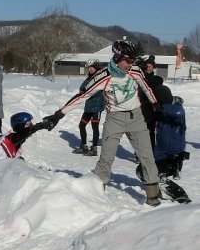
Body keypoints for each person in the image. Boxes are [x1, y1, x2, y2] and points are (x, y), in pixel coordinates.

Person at [43, 40, 162, 206]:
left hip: (136, 118)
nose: (131, 64)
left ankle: (153, 194)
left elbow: (146, 87)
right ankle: (96, 192)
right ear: (118, 57)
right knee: (106, 158)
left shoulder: (135, 71)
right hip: (115, 119)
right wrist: (58, 114)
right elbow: (82, 96)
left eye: (133, 60)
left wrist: (156, 105)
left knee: (146, 156)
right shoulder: (104, 77)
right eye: (128, 60)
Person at [136, 85, 190, 202]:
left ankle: (180, 196)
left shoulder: (164, 110)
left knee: (144, 171)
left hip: (167, 154)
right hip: (173, 153)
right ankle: (158, 188)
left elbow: (147, 120)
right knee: (149, 171)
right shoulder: (178, 108)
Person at [73, 59, 105, 156]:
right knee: (81, 125)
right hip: (88, 107)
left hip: (97, 107)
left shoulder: (99, 78)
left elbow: (95, 91)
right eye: (89, 68)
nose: (90, 69)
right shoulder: (88, 79)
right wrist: (85, 91)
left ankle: (94, 149)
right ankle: (84, 146)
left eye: (92, 67)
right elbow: (82, 88)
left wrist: (87, 91)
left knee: (95, 127)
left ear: (96, 68)